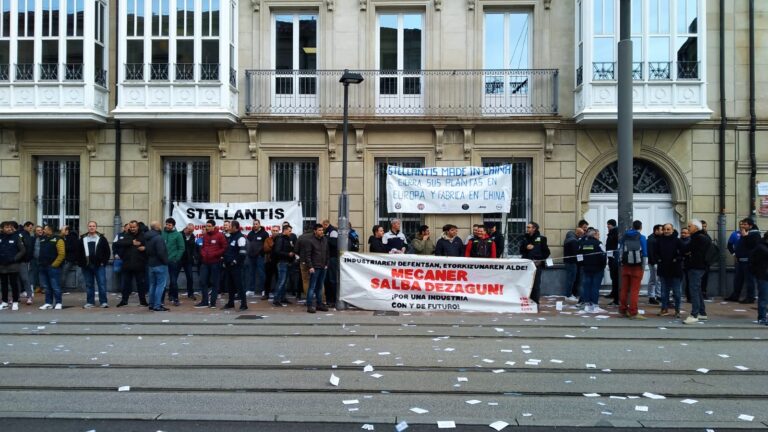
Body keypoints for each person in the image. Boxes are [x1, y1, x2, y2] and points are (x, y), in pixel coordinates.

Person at [76, 221, 111, 308]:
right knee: (89, 285)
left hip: (99, 265)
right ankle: (90, 302)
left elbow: (107, 251)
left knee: (102, 284)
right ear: (88, 227)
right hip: (86, 265)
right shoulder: (83, 238)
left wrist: (104, 262)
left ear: (96, 227)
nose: (92, 227)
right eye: (90, 226)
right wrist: (80, 263)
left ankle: (103, 302)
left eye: (93, 226)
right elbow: (78, 252)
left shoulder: (102, 238)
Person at [682, 219, 710, 324]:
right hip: (700, 266)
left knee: (693, 289)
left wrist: (688, 252)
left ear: (696, 227)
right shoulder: (703, 237)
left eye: (690, 226)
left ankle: (694, 314)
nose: (688, 228)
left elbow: (686, 249)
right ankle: (702, 313)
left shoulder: (697, 238)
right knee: (697, 289)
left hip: (696, 267)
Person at [115, 221, 149, 308]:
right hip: (127, 264)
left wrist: (145, 248)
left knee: (141, 284)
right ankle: (124, 301)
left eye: (134, 227)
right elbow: (118, 243)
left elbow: (149, 246)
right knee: (125, 284)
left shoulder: (143, 235)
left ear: (137, 227)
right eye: (131, 227)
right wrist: (131, 242)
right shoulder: (126, 235)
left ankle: (143, 301)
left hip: (139, 264)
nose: (132, 229)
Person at [726, 217, 760, 304]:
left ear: (750, 225)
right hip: (740, 260)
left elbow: (751, 246)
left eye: (745, 224)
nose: (743, 226)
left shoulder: (754, 234)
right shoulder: (745, 233)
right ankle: (735, 295)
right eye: (742, 224)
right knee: (738, 279)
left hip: (748, 261)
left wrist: (745, 236)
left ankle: (750, 297)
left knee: (749, 280)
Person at [619, 220, 647, 320]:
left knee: (624, 288)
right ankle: (633, 312)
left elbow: (620, 248)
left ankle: (623, 310)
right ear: (640, 227)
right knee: (634, 290)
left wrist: (622, 263)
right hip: (637, 266)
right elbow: (644, 253)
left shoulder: (625, 236)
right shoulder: (642, 238)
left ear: (632, 227)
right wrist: (643, 267)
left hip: (625, 265)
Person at [195, 219, 226, 308]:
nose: (207, 228)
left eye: (209, 226)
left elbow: (224, 248)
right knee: (202, 281)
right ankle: (204, 301)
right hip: (205, 262)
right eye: (206, 226)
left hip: (215, 262)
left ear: (213, 227)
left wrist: (215, 254)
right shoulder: (205, 236)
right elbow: (203, 247)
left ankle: (213, 302)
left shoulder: (220, 236)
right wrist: (203, 254)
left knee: (215, 283)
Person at [655, 223, 684, 318]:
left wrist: (677, 259)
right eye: (665, 229)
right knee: (664, 292)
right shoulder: (659, 240)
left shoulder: (678, 241)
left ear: (672, 230)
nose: (666, 231)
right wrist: (658, 259)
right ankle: (664, 309)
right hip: (663, 269)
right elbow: (655, 253)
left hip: (675, 269)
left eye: (668, 229)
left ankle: (677, 310)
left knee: (676, 292)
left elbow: (683, 253)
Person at [519, 222, 550, 304]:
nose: (527, 229)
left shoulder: (542, 238)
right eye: (527, 227)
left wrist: (540, 260)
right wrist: (526, 247)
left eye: (529, 227)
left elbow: (547, 252)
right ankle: (526, 301)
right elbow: (521, 251)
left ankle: (535, 302)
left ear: (534, 228)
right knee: (525, 283)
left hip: (536, 265)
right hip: (526, 265)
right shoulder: (524, 238)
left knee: (535, 284)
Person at [578, 228, 606, 313]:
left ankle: (587, 305)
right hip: (597, 269)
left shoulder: (582, 244)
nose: (599, 236)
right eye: (598, 234)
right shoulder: (599, 244)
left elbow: (579, 256)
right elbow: (604, 256)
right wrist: (603, 266)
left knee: (587, 287)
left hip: (586, 268)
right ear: (594, 235)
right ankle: (594, 305)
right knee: (595, 287)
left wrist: (582, 265)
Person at [37, 225, 65, 310]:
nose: (43, 231)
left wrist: (54, 265)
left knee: (55, 286)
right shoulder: (42, 239)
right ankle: (48, 303)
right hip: (43, 266)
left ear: (50, 230)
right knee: (46, 286)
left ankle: (58, 302)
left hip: (53, 267)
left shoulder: (58, 239)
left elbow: (62, 254)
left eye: (45, 229)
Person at [303, 223, 329, 313]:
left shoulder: (325, 240)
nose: (321, 232)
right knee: (312, 287)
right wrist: (310, 266)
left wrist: (326, 264)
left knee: (320, 286)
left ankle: (319, 304)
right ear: (315, 231)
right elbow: (308, 255)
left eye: (322, 230)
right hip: (314, 267)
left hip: (323, 266)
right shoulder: (310, 241)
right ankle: (309, 305)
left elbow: (327, 252)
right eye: (319, 230)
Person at [0, 221, 26, 311]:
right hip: (2, 265)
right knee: (3, 285)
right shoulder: (0, 237)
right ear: (2, 228)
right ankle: (4, 302)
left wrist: (14, 259)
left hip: (13, 265)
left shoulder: (16, 237)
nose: (9, 228)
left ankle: (15, 302)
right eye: (7, 227)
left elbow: (22, 250)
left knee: (14, 284)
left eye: (10, 227)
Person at [222, 220, 248, 311]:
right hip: (228, 266)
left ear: (235, 227)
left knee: (239, 285)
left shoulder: (240, 238)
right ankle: (230, 303)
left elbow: (243, 253)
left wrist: (235, 261)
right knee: (230, 285)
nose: (228, 228)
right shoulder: (230, 237)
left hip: (236, 266)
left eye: (230, 226)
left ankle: (244, 304)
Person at [145, 221, 169, 311]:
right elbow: (161, 252)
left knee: (152, 285)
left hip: (151, 263)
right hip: (160, 264)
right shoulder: (158, 238)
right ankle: (157, 305)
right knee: (160, 285)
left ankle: (151, 304)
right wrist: (166, 261)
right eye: (159, 225)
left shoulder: (147, 237)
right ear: (157, 227)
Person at [161, 218, 185, 306]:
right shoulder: (162, 233)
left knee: (173, 281)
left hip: (173, 261)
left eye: (169, 225)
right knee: (162, 281)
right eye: (166, 224)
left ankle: (175, 298)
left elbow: (181, 248)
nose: (167, 226)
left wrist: (176, 258)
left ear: (173, 225)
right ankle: (161, 300)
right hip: (163, 261)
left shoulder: (178, 235)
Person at [272, 224, 295, 307]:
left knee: (285, 282)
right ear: (285, 230)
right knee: (281, 281)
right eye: (289, 231)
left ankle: (282, 298)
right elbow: (277, 251)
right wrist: (288, 254)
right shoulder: (280, 239)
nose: (290, 233)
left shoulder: (287, 239)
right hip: (282, 262)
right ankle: (276, 299)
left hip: (287, 262)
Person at [748, 232, 768, 325]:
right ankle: (762, 317)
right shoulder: (761, 248)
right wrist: (757, 273)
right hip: (763, 275)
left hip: (762, 275)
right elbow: (753, 261)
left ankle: (763, 317)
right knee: (763, 297)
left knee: (763, 297)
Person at [246, 219, 269, 298]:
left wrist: (261, 253)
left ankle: (264, 290)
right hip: (251, 257)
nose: (255, 225)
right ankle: (251, 290)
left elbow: (266, 245)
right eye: (254, 224)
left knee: (261, 273)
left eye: (256, 224)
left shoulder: (264, 233)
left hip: (260, 257)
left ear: (259, 224)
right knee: (251, 273)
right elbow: (247, 243)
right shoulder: (250, 233)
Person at [563, 227, 584, 302]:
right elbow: (576, 253)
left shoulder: (569, 238)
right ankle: (568, 295)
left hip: (568, 261)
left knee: (570, 278)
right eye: (582, 234)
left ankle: (569, 294)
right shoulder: (574, 241)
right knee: (571, 279)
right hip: (572, 262)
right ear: (578, 233)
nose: (582, 236)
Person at [17, 221, 35, 305]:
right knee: (21, 279)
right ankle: (17, 296)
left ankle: (29, 296)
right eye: (30, 227)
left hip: (23, 260)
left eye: (32, 228)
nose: (31, 229)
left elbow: (29, 249)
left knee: (24, 278)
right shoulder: (21, 235)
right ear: (25, 226)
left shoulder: (28, 235)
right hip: (21, 260)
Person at [261, 225, 280, 300]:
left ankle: (279, 294)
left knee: (279, 279)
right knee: (268, 279)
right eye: (274, 231)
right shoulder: (267, 239)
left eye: (276, 231)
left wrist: (273, 247)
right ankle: (266, 294)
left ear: (279, 231)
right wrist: (275, 246)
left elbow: (280, 250)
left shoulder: (281, 239)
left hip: (278, 262)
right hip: (269, 261)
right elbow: (266, 249)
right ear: (271, 231)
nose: (275, 232)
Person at [59, 225, 81, 291]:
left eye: (62, 230)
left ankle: (61, 289)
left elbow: (74, 248)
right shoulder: (63, 237)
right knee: (61, 273)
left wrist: (63, 248)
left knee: (63, 273)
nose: (60, 231)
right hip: (63, 258)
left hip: (69, 259)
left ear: (66, 231)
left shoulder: (72, 237)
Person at [180, 223, 198, 300]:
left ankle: (190, 293)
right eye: (189, 231)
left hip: (188, 260)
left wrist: (194, 256)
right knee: (174, 276)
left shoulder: (192, 236)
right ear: (186, 228)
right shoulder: (180, 235)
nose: (190, 232)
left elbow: (193, 247)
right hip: (179, 259)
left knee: (190, 277)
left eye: (192, 231)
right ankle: (172, 294)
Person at [646, 224, 663, 305]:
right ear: (656, 230)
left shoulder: (659, 238)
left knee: (659, 279)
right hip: (654, 262)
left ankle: (658, 295)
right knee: (653, 279)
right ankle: (651, 297)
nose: (663, 231)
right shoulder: (651, 240)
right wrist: (654, 263)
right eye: (661, 230)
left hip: (659, 262)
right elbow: (651, 252)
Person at [604, 219, 620, 306]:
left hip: (614, 257)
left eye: (608, 224)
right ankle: (613, 293)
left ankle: (616, 297)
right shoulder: (612, 232)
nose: (607, 226)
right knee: (613, 277)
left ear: (612, 225)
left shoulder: (615, 232)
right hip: (611, 257)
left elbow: (614, 243)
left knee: (615, 277)